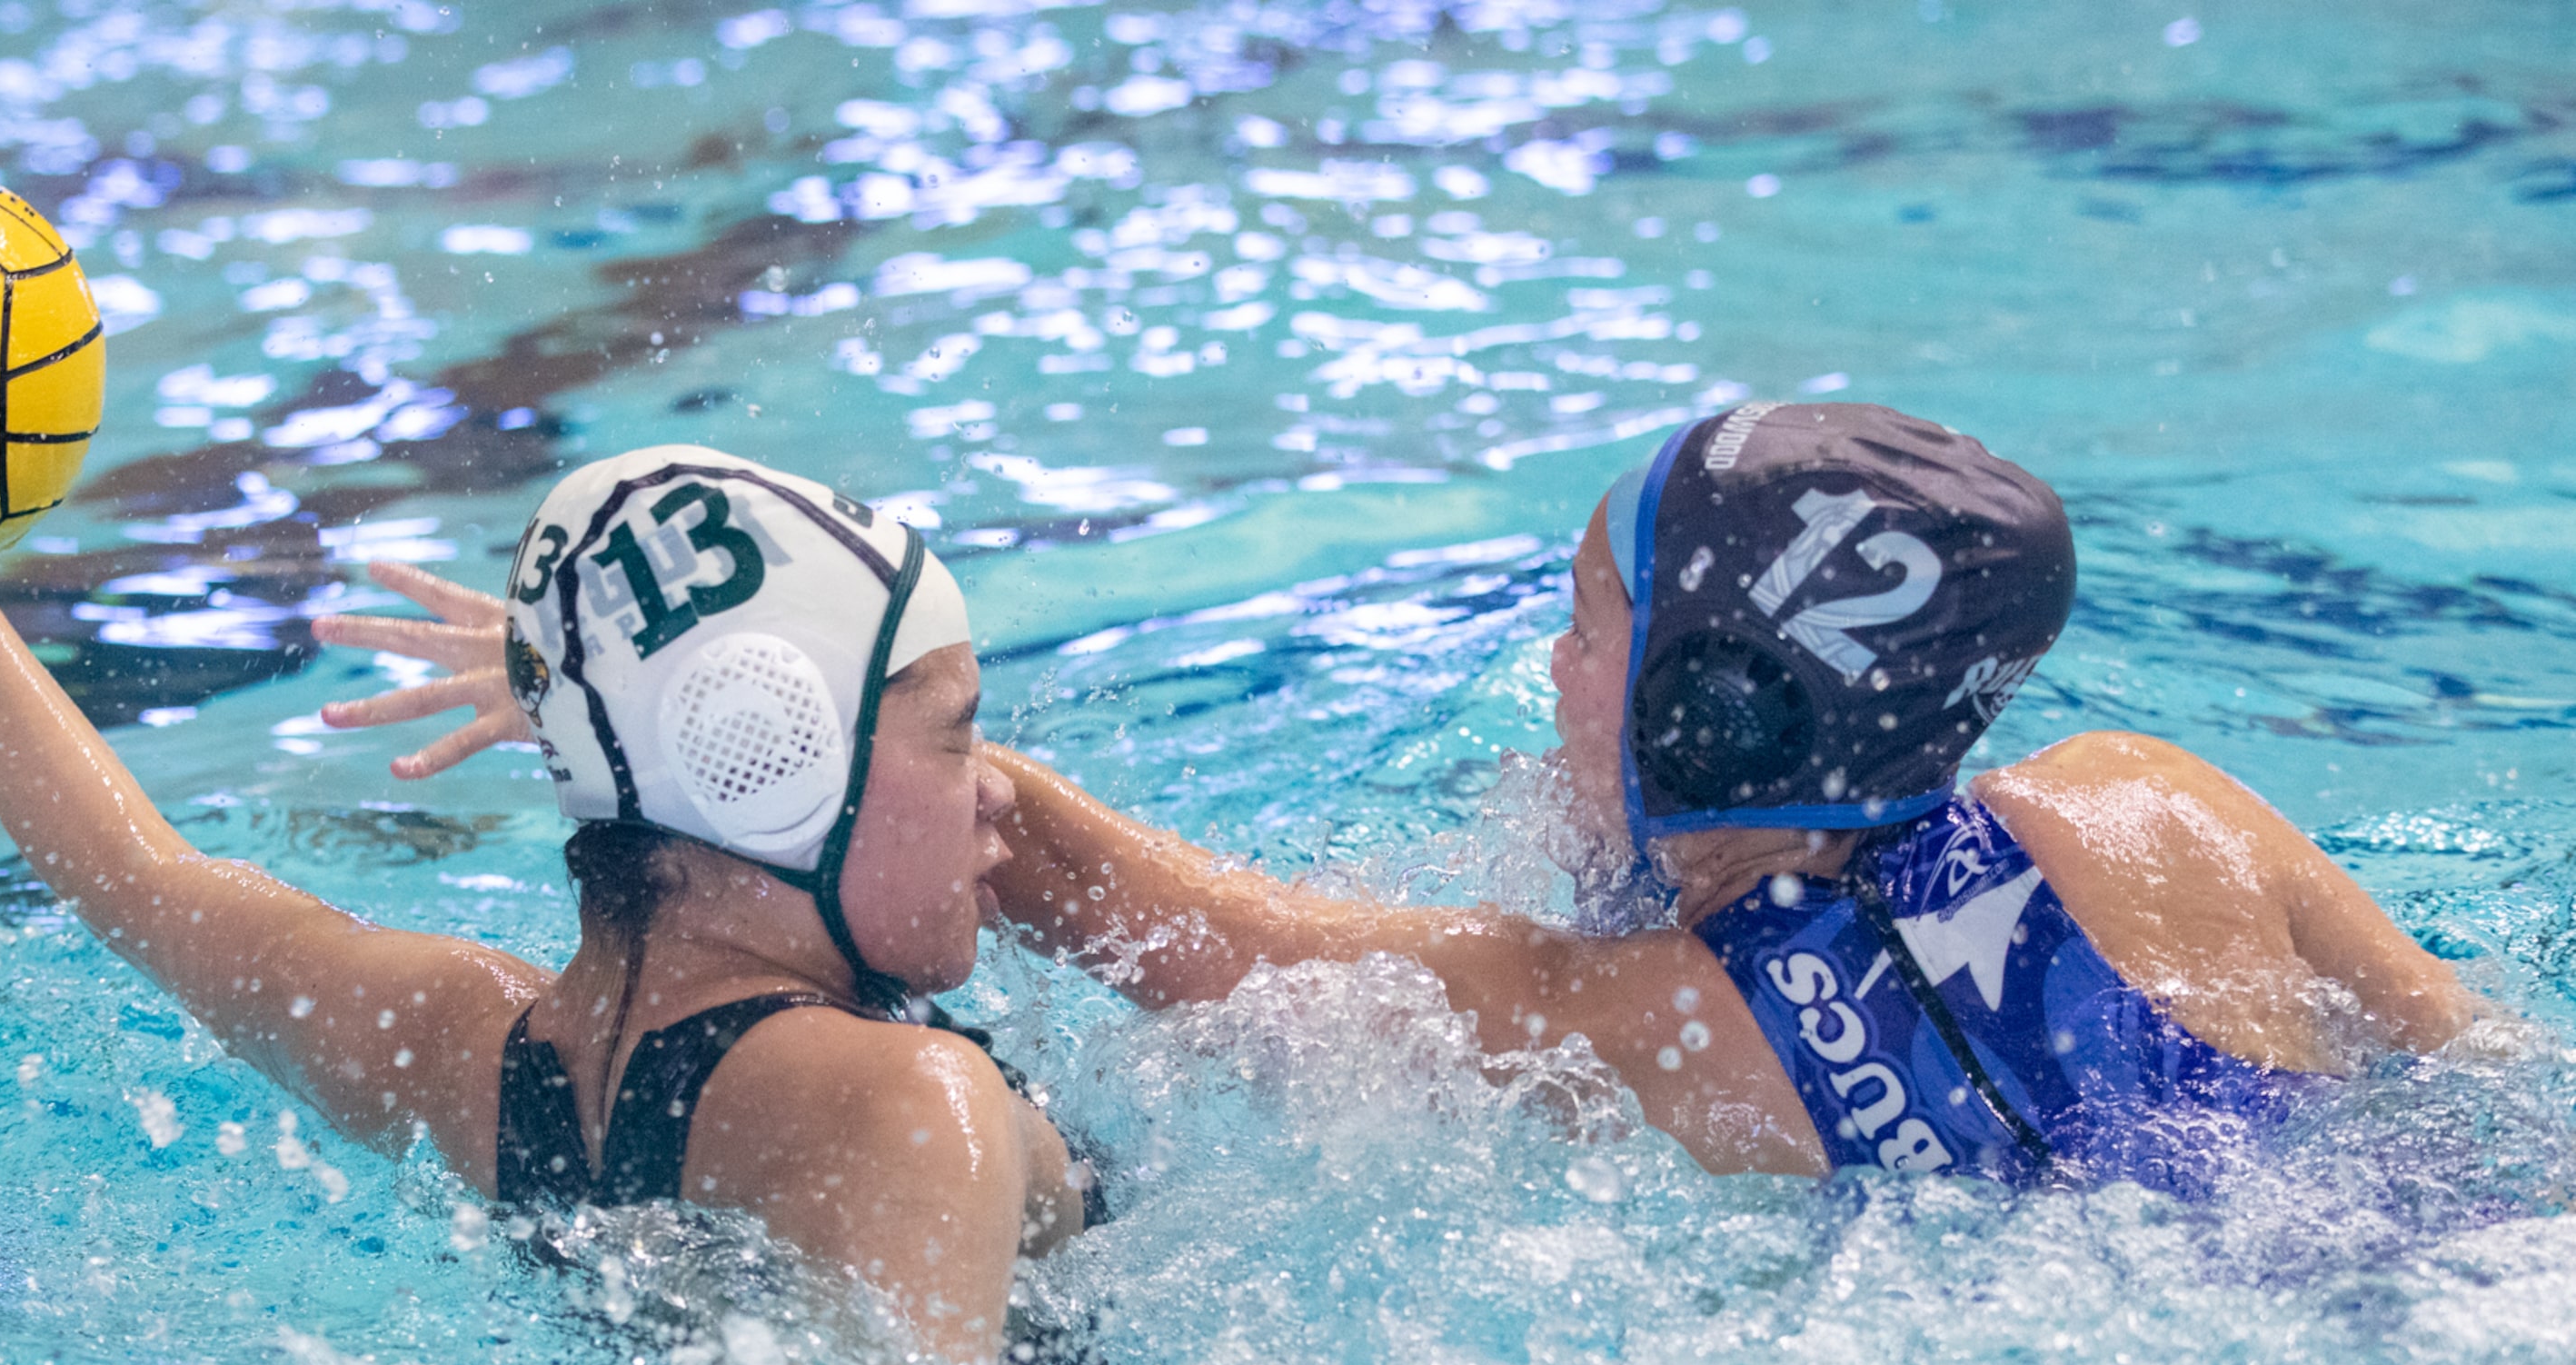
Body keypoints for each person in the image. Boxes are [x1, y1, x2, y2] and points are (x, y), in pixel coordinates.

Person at [0, 281, 1091, 1365]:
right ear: (765, 761)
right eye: (956, 726)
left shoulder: (461, 1052)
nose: (1000, 789)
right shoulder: (908, 1104)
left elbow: (132, 876)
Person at [975, 403, 2483, 1193]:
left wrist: (916, 747)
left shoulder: (1663, 1019)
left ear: (1700, 712)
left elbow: (1175, 936)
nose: (1553, 668)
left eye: (1587, 622)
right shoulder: (2156, 807)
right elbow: (2495, 1085)